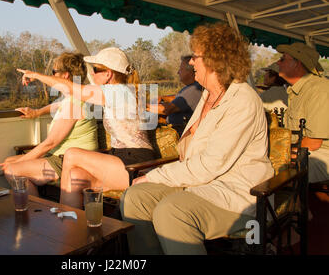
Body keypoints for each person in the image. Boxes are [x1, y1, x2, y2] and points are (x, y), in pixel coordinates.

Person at [120, 23, 274, 255]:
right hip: (201, 183)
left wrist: (155, 175)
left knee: (172, 210)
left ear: (215, 60)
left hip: (236, 193)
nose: (191, 62)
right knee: (135, 197)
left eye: (195, 56)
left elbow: (210, 165)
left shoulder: (242, 100)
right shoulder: (208, 95)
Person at [17, 47, 156, 208]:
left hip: (137, 164)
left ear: (108, 74)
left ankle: (62, 216)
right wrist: (37, 112)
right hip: (119, 159)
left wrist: (36, 75)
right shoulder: (116, 92)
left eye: (95, 69)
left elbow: (71, 89)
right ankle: (71, 228)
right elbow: (66, 100)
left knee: (72, 154)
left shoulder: (117, 92)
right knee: (75, 176)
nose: (92, 74)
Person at [0, 52, 98, 196]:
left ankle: (35, 211)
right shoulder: (71, 97)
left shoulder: (74, 103)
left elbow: (50, 143)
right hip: (59, 156)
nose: (51, 76)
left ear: (65, 75)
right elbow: (56, 106)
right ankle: (35, 204)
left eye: (53, 72)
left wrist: (18, 163)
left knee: (12, 169)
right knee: (9, 161)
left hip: (71, 161)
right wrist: (37, 112)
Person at [275, 42, 329, 183]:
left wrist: (281, 155)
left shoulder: (319, 89)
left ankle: (286, 205)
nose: (277, 63)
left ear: (297, 63)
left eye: (283, 59)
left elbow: (314, 142)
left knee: (276, 172)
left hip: (321, 155)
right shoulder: (296, 91)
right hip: (304, 151)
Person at [147, 55, 202, 134]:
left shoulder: (194, 89)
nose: (178, 72)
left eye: (181, 69)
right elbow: (177, 98)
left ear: (190, 71)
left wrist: (142, 106)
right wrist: (162, 98)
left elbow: (167, 109)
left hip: (179, 133)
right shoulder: (190, 88)